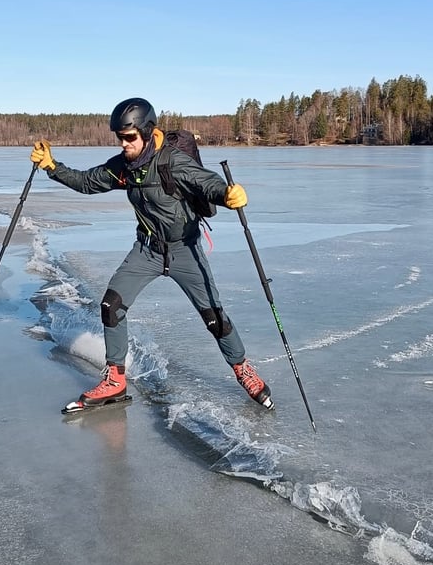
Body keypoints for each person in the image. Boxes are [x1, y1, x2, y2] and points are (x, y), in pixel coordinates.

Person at [30, 96, 273, 412]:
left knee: (214, 317)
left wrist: (228, 195)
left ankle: (243, 370)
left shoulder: (172, 162)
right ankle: (115, 380)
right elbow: (88, 182)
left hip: (185, 250)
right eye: (120, 137)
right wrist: (52, 167)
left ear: (146, 132)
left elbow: (207, 182)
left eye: (129, 137)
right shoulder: (125, 167)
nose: (124, 143)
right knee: (111, 305)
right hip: (146, 250)